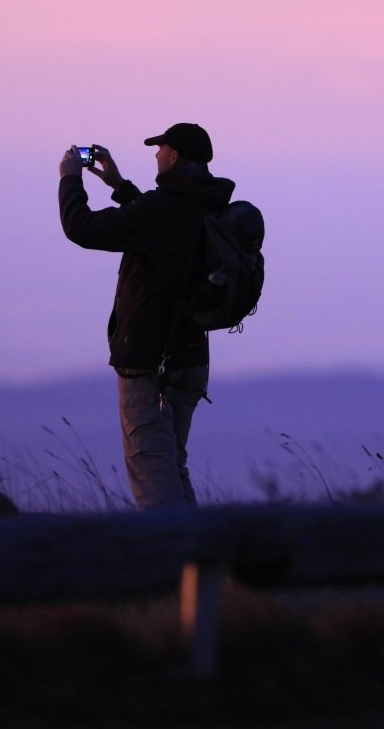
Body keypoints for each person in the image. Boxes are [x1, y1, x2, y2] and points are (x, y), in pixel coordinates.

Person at [58, 123, 235, 507]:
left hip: (150, 365)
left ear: (173, 156)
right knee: (172, 467)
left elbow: (81, 228)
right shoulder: (210, 205)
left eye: (160, 149)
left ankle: (173, 559)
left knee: (154, 480)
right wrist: (118, 185)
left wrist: (71, 180)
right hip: (190, 358)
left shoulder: (163, 210)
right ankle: (199, 563)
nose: (155, 155)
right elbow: (159, 229)